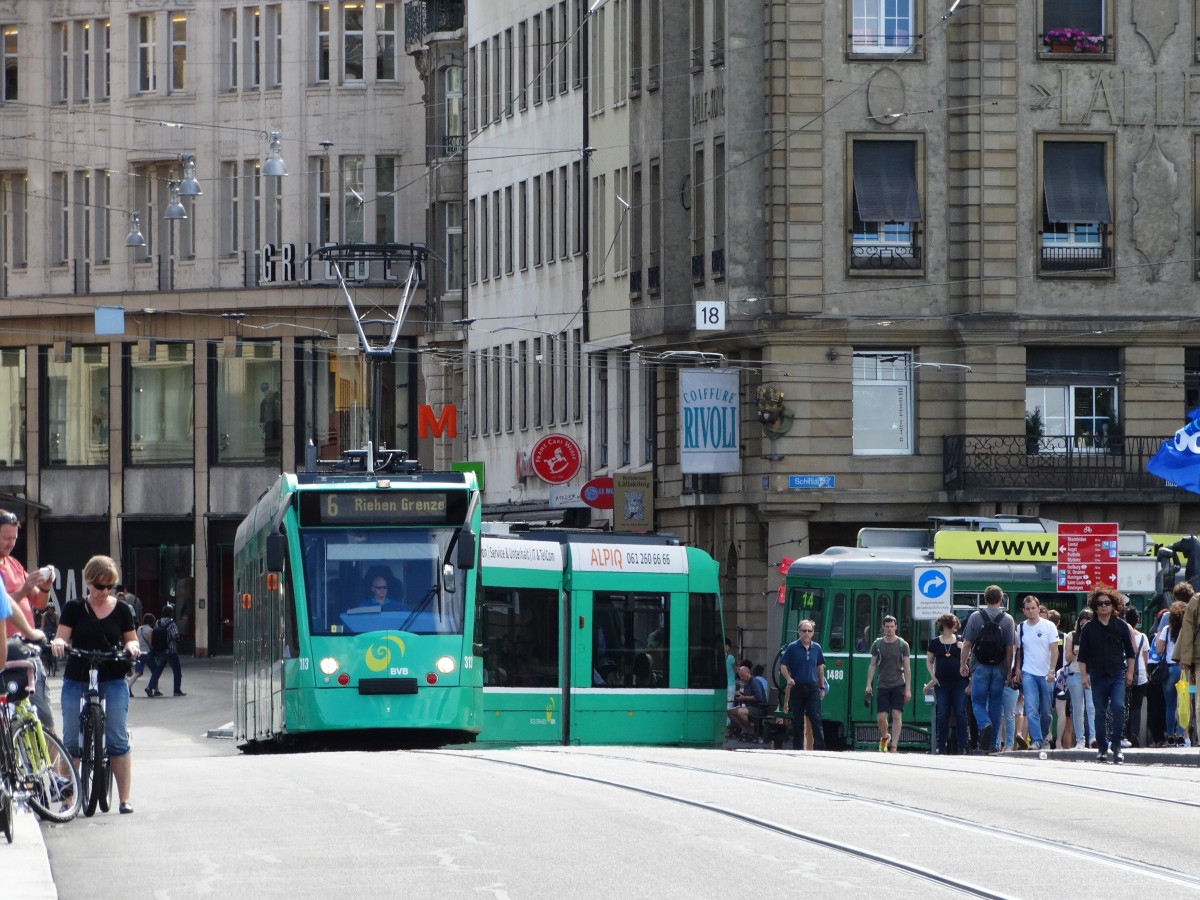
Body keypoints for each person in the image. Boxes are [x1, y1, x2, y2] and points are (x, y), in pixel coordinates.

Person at [50, 555, 140, 813]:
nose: (105, 592)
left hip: (112, 675)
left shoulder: (123, 610)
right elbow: (62, 637)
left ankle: (124, 799)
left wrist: (132, 647)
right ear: (88, 582)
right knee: (70, 741)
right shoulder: (74, 608)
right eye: (99, 586)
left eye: (110, 586)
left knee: (117, 737)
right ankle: (68, 800)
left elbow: (131, 639)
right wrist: (59, 644)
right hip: (78, 675)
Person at [0, 509, 54, 731]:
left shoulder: (13, 564)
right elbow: (5, 604)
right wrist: (24, 588)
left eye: (14, 538)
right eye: (6, 538)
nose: (11, 543)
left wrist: (45, 585)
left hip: (25, 647)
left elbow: (39, 603)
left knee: (43, 718)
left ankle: (53, 766)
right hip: (9, 647)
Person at [1076, 584, 1137, 764]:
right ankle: (1102, 748)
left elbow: (1131, 652)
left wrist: (1130, 672)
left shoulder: (1121, 626)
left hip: (1117, 674)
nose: (1103, 606)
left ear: (1113, 605)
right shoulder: (1088, 628)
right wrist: (1083, 676)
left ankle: (1116, 746)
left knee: (1118, 707)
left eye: (1107, 603)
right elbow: (1082, 656)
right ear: (1094, 606)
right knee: (1099, 713)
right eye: (1100, 603)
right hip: (1097, 676)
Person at [959, 584, 1016, 754]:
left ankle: (984, 724)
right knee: (996, 705)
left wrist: (963, 664)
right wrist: (1008, 671)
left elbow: (967, 643)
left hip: (980, 667)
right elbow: (1009, 648)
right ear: (1001, 599)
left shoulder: (976, 617)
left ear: (985, 599)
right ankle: (994, 744)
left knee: (977, 702)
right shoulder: (1008, 619)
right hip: (999, 667)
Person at [1014, 595, 1060, 751]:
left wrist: (1052, 670)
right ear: (1024, 611)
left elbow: (1055, 650)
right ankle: (1036, 740)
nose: (1031, 611)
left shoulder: (1049, 626)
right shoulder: (1020, 628)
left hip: (1046, 673)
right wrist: (1018, 668)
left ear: (1038, 609)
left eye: (1033, 608)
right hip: (1028, 673)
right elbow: (1020, 651)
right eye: (1028, 609)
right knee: (1031, 708)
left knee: (1046, 711)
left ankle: (1045, 734)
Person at [863, 615, 910, 753]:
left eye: (892, 626)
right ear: (883, 627)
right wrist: (868, 684)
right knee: (881, 717)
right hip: (882, 683)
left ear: (896, 627)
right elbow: (872, 665)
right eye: (887, 626)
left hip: (898, 683)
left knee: (896, 715)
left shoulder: (903, 645)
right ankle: (885, 737)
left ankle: (894, 746)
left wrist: (908, 688)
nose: (889, 629)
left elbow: (907, 667)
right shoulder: (877, 644)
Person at [779, 619, 826, 750]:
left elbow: (820, 668)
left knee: (815, 716)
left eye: (809, 631)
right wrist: (788, 678)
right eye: (804, 630)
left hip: (813, 687)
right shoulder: (793, 647)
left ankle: (820, 748)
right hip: (797, 687)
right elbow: (783, 665)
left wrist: (822, 687)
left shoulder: (817, 648)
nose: (806, 633)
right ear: (799, 632)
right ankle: (798, 748)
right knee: (798, 720)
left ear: (812, 633)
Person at [925, 613, 968, 755]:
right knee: (943, 713)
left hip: (959, 682)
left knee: (960, 712)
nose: (956, 626)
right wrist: (933, 677)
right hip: (942, 683)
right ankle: (941, 745)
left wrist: (963, 650)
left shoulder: (960, 640)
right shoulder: (935, 642)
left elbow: (969, 659)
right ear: (945, 625)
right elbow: (929, 661)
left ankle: (963, 745)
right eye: (953, 624)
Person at [1156, 587, 1191, 746]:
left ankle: (1170, 734)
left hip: (1169, 669)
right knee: (1185, 702)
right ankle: (1184, 735)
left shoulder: (1166, 629)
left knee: (1170, 704)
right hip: (1185, 670)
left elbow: (1158, 649)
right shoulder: (1190, 630)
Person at [1171, 580, 1200, 739]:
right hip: (1196, 662)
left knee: (1192, 696)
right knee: (1195, 698)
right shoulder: (1196, 602)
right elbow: (1188, 631)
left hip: (1191, 663)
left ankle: (1187, 735)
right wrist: (1186, 660)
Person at [145, 605, 186, 697]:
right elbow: (174, 636)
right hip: (171, 650)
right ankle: (177, 690)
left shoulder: (157, 622)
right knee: (177, 671)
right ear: (171, 613)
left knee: (158, 670)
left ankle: (149, 687)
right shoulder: (172, 624)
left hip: (160, 650)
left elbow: (153, 633)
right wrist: (178, 637)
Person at [1124, 607, 1150, 748]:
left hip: (1125, 673)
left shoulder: (1122, 635)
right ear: (1137, 620)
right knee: (1136, 708)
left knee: (1124, 706)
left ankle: (1124, 735)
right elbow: (1145, 659)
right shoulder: (1143, 637)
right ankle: (1134, 736)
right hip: (1140, 676)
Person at [127, 613, 156, 695]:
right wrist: (153, 649)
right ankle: (154, 689)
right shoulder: (150, 630)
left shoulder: (139, 628)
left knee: (137, 672)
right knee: (155, 671)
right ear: (152, 622)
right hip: (147, 653)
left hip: (139, 652)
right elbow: (150, 642)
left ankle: (128, 688)